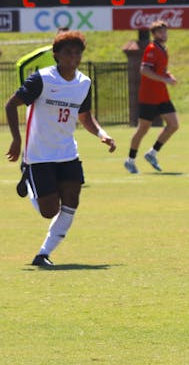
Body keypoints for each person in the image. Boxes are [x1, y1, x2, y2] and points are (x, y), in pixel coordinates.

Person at [5, 30, 117, 268]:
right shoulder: (42, 79)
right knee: (49, 210)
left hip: (67, 153)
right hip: (39, 154)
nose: (73, 57)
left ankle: (43, 253)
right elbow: (11, 104)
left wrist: (102, 134)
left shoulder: (84, 83)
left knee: (72, 199)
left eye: (77, 53)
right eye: (67, 52)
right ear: (56, 55)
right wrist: (16, 139)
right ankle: (28, 179)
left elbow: (85, 117)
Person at [124, 21, 179, 173]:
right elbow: (144, 70)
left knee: (173, 125)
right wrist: (164, 79)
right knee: (143, 129)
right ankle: (130, 160)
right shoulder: (151, 48)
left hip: (162, 95)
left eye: (165, 31)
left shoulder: (163, 49)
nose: (164, 34)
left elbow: (161, 70)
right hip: (148, 96)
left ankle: (152, 153)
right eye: (161, 32)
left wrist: (169, 76)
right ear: (154, 34)